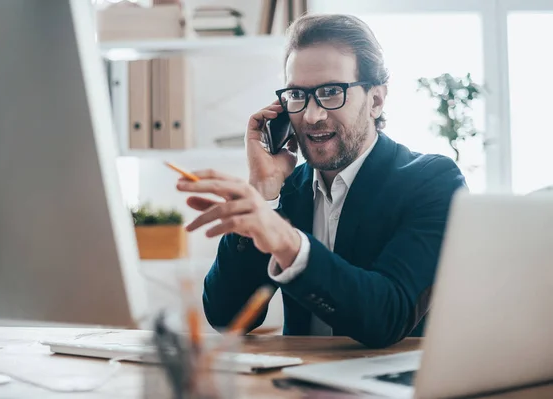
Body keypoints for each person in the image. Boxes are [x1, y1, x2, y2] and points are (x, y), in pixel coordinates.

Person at [176, 14, 466, 348]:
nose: (312, 116)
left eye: (331, 92)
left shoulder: (433, 181)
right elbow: (227, 318)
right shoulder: (288, 190)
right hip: (298, 383)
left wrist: (289, 244)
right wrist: (264, 193)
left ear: (376, 100)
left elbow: (387, 315)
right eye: (297, 95)